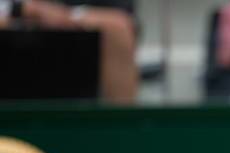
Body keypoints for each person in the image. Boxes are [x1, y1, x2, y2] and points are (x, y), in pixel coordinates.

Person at [0, 0, 138, 103]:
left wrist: (60, 15)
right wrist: (21, 9)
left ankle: (118, 133)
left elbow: (120, 15)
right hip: (8, 18)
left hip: (70, 19)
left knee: (117, 28)